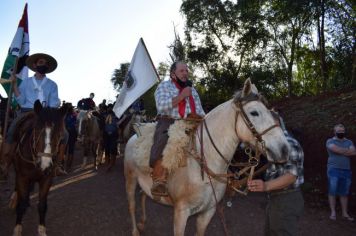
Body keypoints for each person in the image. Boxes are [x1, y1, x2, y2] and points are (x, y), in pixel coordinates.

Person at [0, 53, 67, 176]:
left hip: (45, 114)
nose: (43, 65)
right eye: (41, 63)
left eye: (46, 64)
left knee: (65, 134)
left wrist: (46, 113)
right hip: (27, 111)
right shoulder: (26, 82)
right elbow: (21, 101)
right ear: (35, 65)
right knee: (12, 130)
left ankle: (57, 164)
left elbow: (52, 103)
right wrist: (15, 86)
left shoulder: (52, 85)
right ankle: (5, 162)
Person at [150, 61, 205, 197]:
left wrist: (202, 117)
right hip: (170, 120)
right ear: (173, 74)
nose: (185, 73)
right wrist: (182, 96)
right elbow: (162, 107)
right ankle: (159, 179)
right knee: (164, 137)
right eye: (182, 71)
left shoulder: (193, 90)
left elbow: (200, 110)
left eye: (187, 70)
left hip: (194, 122)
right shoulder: (164, 86)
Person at [247, 112, 304, 236]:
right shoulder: (277, 144)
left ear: (276, 123)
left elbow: (291, 176)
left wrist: (266, 185)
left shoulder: (289, 143)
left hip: (286, 199)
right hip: (276, 198)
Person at [326, 124, 356, 221]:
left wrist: (341, 151)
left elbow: (354, 152)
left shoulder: (349, 141)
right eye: (339, 131)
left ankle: (345, 213)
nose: (341, 132)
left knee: (344, 193)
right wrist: (347, 151)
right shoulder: (330, 141)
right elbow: (335, 149)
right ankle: (333, 212)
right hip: (333, 169)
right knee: (333, 190)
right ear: (334, 132)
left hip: (346, 170)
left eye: (343, 131)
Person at [103, 103, 119, 171]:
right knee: (106, 148)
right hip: (106, 134)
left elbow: (118, 124)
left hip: (114, 134)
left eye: (111, 108)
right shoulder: (104, 116)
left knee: (113, 148)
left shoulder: (116, 116)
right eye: (108, 108)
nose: (109, 109)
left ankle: (112, 163)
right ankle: (107, 163)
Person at [64, 103, 78, 172]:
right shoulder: (73, 115)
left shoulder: (66, 115)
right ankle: (67, 166)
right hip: (71, 133)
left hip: (68, 133)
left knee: (66, 150)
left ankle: (65, 166)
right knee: (69, 150)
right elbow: (76, 124)